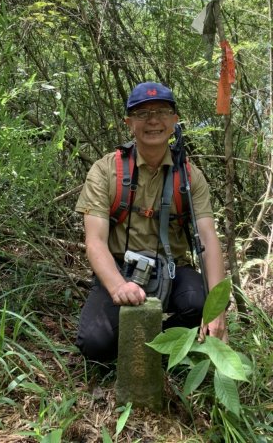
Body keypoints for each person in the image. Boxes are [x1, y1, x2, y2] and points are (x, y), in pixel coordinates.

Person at [75, 82, 227, 362]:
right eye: (143, 113)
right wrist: (119, 286)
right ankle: (140, 344)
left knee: (197, 304)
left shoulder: (190, 177)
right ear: (129, 123)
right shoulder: (105, 170)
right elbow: (94, 241)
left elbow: (208, 239)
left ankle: (157, 348)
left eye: (161, 112)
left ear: (174, 121)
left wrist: (218, 309)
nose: (153, 120)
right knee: (95, 344)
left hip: (172, 271)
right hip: (120, 269)